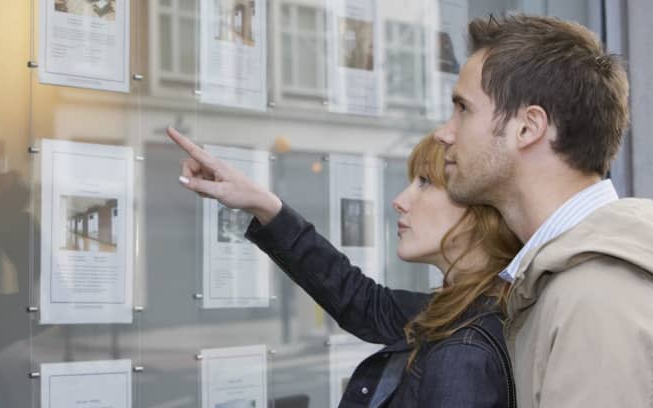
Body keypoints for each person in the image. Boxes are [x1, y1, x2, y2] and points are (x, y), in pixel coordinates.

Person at [434, 14, 653, 407]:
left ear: (528, 128)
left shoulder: (599, 304)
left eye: (463, 108)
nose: (444, 132)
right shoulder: (574, 284)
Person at [168, 128, 522, 407]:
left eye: (425, 183)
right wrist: (263, 204)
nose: (400, 201)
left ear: (479, 210)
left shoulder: (464, 349)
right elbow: (361, 301)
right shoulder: (460, 311)